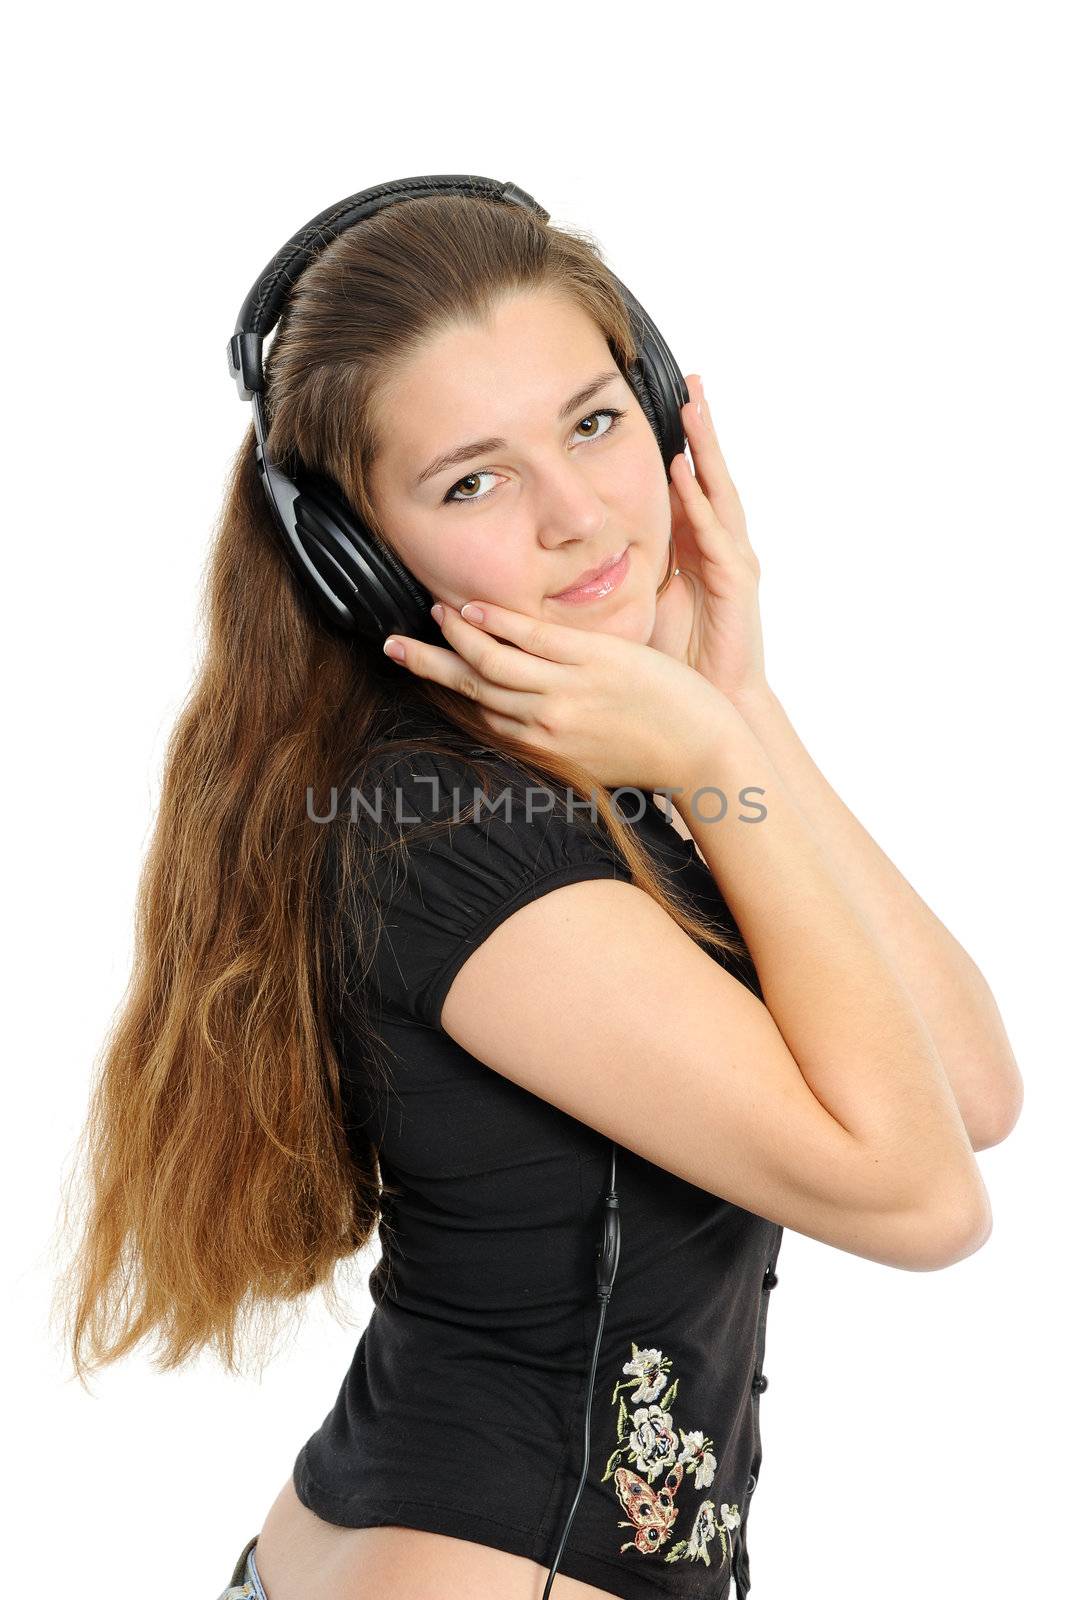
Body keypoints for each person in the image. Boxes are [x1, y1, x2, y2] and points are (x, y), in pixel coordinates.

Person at [53, 192, 1023, 1600]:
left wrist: (729, 702)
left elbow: (968, 1094)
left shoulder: (592, 756)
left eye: (592, 423)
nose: (579, 516)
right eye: (472, 481)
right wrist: (702, 746)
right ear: (358, 560)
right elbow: (921, 1203)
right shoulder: (448, 842)